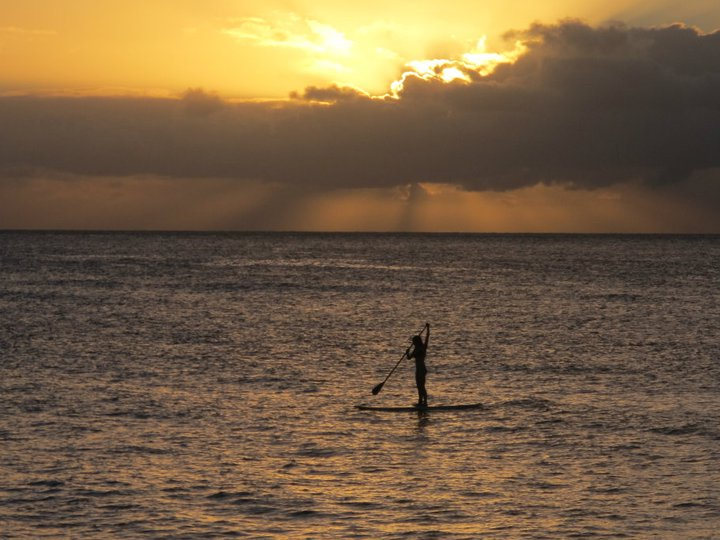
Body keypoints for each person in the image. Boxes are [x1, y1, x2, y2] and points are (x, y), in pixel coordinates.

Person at [406, 323, 430, 407]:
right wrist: (407, 352)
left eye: (413, 341)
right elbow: (409, 358)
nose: (413, 343)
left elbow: (427, 338)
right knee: (418, 386)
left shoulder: (423, 348)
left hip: (422, 369)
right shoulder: (415, 349)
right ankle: (420, 401)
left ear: (416, 342)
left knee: (421, 386)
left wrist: (428, 329)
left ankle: (425, 402)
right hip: (417, 370)